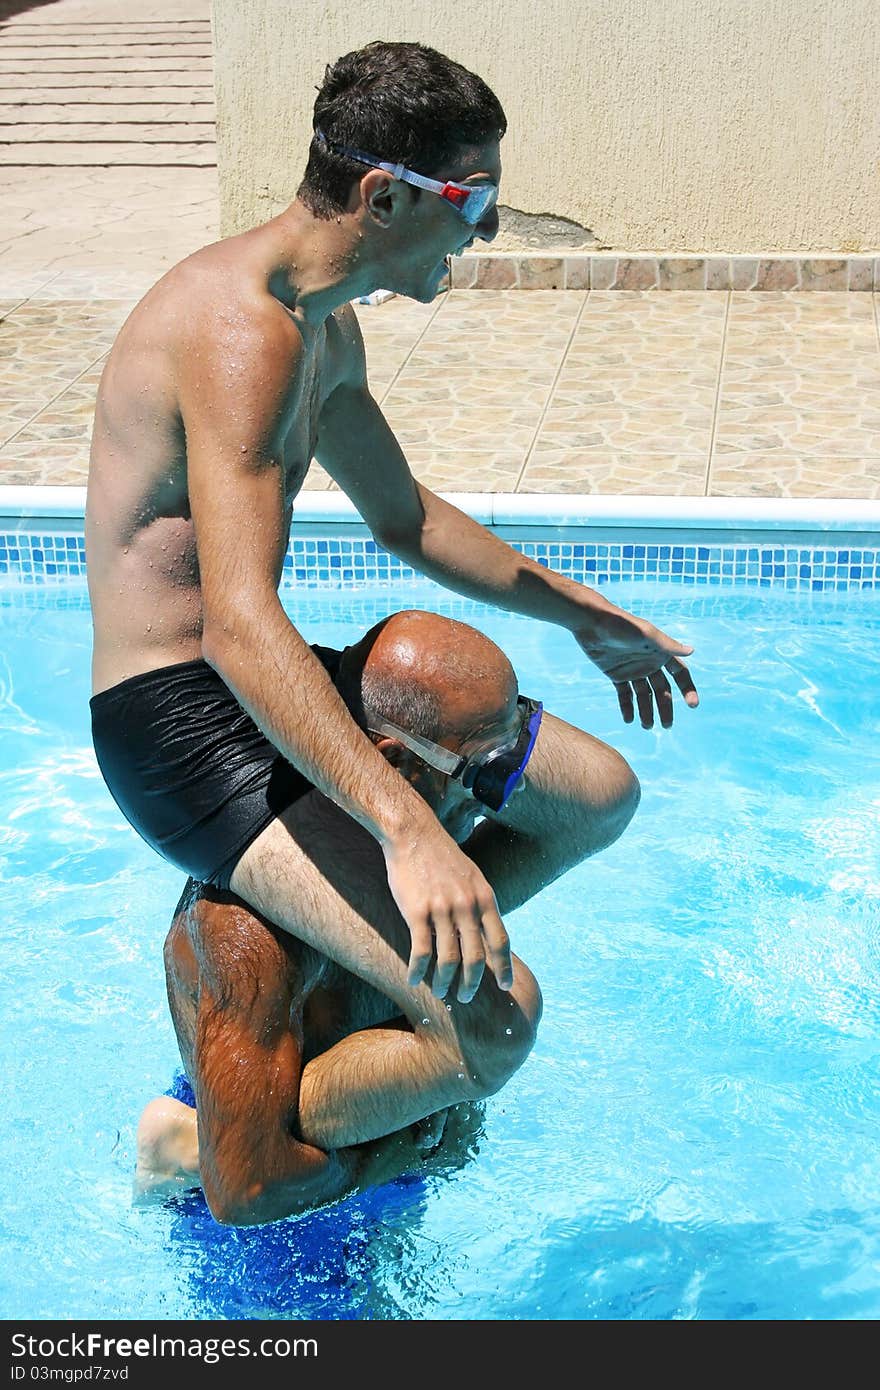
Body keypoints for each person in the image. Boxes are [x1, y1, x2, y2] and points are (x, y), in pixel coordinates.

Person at [86, 41, 698, 1207]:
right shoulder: (242, 333)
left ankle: (370, 979)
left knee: (594, 796)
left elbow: (404, 516)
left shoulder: (322, 323)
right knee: (494, 1031)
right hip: (179, 730)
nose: (482, 236)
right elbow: (234, 622)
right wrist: (406, 831)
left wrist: (581, 615)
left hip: (245, 680)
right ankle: (216, 1133)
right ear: (385, 195)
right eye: (477, 204)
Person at [135, 610, 627, 1225]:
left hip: (371, 1131)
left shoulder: (423, 833)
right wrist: (402, 1150)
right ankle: (182, 1143)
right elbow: (246, 1192)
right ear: (392, 764)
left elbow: (601, 798)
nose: (501, 796)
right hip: (268, 1190)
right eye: (483, 772)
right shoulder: (246, 931)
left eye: (512, 757)